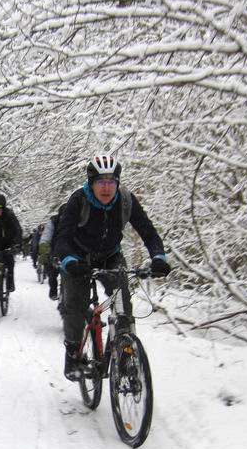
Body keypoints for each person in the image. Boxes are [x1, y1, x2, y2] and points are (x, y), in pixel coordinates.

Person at [54, 155, 171, 380]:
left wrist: (158, 257)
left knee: (123, 305)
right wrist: (69, 261)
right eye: (101, 182)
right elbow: (63, 237)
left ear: (117, 183)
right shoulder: (78, 200)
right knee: (76, 305)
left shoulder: (126, 201)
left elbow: (147, 231)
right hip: (77, 257)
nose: (106, 187)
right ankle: (72, 355)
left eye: (111, 182)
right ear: (91, 183)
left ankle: (126, 356)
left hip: (110, 256)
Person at [38, 204, 66, 300]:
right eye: (63, 216)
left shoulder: (77, 220)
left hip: (71, 252)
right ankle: (53, 290)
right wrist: (44, 250)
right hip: (56, 251)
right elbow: (46, 236)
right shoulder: (53, 222)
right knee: (52, 270)